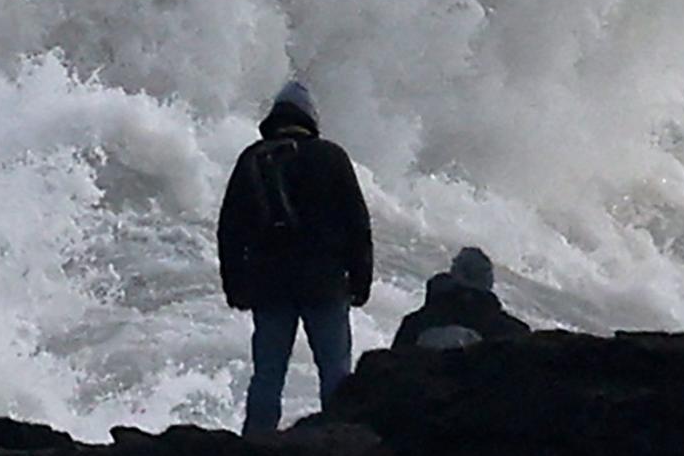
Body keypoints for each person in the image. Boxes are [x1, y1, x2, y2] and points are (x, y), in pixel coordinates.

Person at [216, 78, 373, 436]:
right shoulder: (332, 157)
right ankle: (340, 442)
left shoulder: (252, 159)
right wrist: (360, 281)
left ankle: (255, 444)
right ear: (311, 118)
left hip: (269, 285)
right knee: (335, 371)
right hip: (325, 283)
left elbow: (230, 230)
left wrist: (234, 285)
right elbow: (357, 225)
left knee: (268, 374)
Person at [391, 245, 532, 353]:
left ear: (453, 274)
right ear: (488, 282)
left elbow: (391, 371)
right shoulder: (513, 333)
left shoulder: (415, 324)